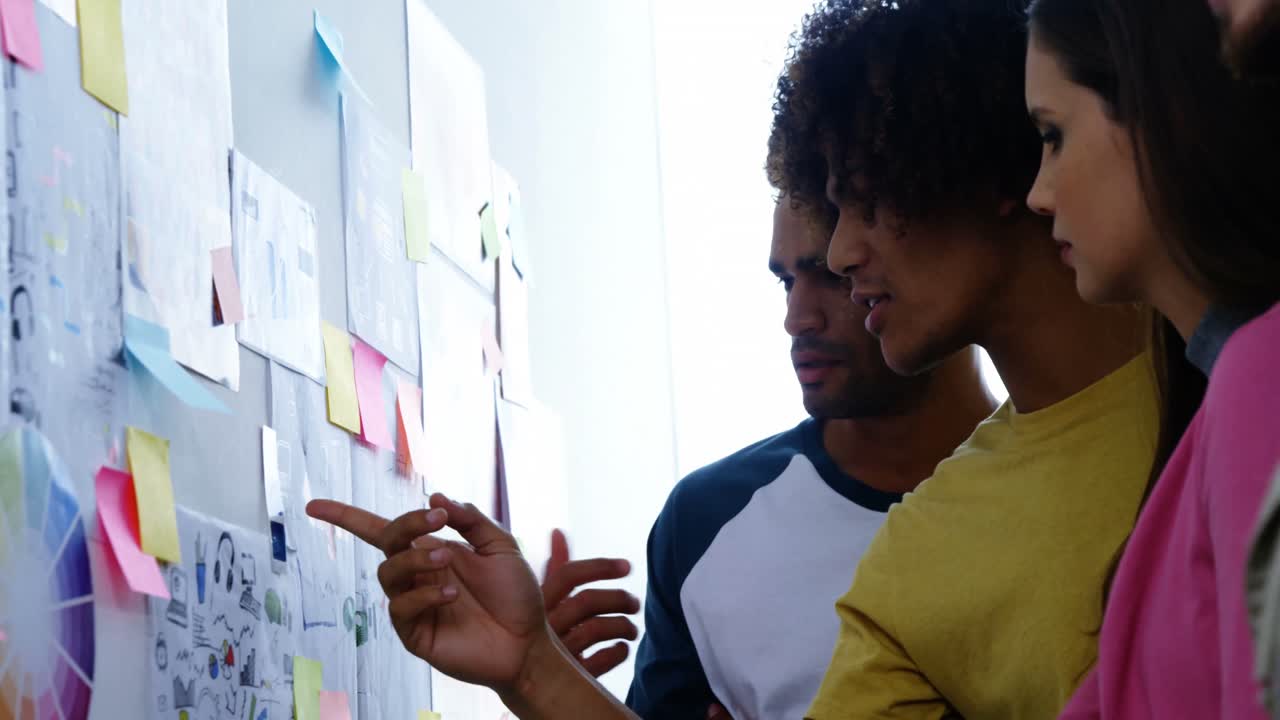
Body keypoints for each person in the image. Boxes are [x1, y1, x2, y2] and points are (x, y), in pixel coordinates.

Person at [773, 0, 1165, 716]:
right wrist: (539, 672)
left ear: (972, 160)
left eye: (863, 200)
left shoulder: (1225, 361)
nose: (840, 252)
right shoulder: (920, 555)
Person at [626, 198, 996, 719]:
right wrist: (540, 676)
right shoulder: (705, 520)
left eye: (833, 274)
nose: (797, 318)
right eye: (786, 281)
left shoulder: (1078, 479)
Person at [1023, 0, 1280, 716]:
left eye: (1052, 135)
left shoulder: (1263, 373)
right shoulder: (1221, 399)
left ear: (1163, 110)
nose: (1038, 193)